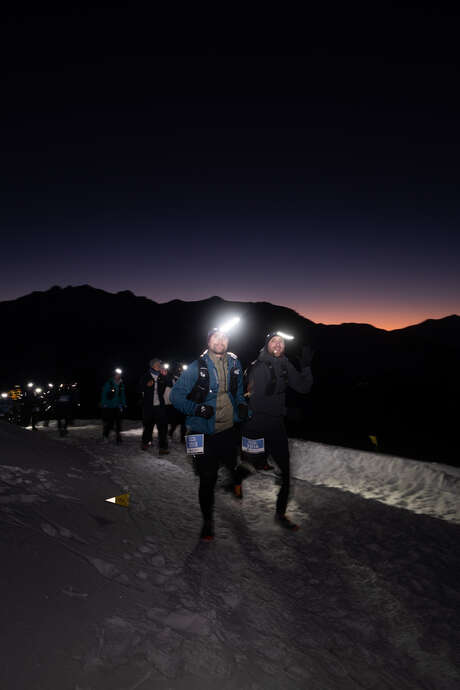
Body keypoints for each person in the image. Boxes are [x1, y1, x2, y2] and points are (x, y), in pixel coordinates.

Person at [170, 327, 249, 541]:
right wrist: (197, 409)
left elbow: (239, 391)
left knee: (231, 461)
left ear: (228, 341)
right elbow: (175, 396)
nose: (220, 340)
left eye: (224, 337)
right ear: (208, 341)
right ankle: (207, 522)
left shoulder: (234, 363)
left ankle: (234, 479)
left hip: (227, 429)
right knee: (206, 477)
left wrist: (241, 405)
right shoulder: (197, 367)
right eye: (215, 337)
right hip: (199, 431)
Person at [242, 332, 313, 530]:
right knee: (252, 464)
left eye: (281, 342)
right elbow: (257, 400)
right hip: (256, 425)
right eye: (274, 341)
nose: (278, 344)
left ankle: (280, 514)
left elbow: (303, 387)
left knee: (285, 470)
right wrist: (286, 410)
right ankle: (234, 480)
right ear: (266, 345)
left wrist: (306, 366)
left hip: (276, 426)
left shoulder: (285, 364)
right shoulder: (258, 366)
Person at [139, 358, 171, 454]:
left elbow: (170, 384)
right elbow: (138, 388)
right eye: (158, 364)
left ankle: (163, 448)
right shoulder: (146, 376)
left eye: (160, 364)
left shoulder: (162, 376)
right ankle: (145, 443)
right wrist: (146, 385)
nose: (159, 366)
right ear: (152, 365)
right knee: (148, 426)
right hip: (148, 406)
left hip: (160, 406)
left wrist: (166, 376)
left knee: (162, 428)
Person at [101, 370, 126, 443]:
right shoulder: (109, 383)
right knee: (109, 422)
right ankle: (105, 435)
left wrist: (124, 404)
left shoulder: (121, 384)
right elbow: (104, 394)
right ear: (114, 375)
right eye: (117, 374)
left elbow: (122, 395)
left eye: (119, 374)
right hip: (109, 406)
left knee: (119, 422)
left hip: (118, 406)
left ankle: (118, 437)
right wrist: (104, 404)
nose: (118, 376)